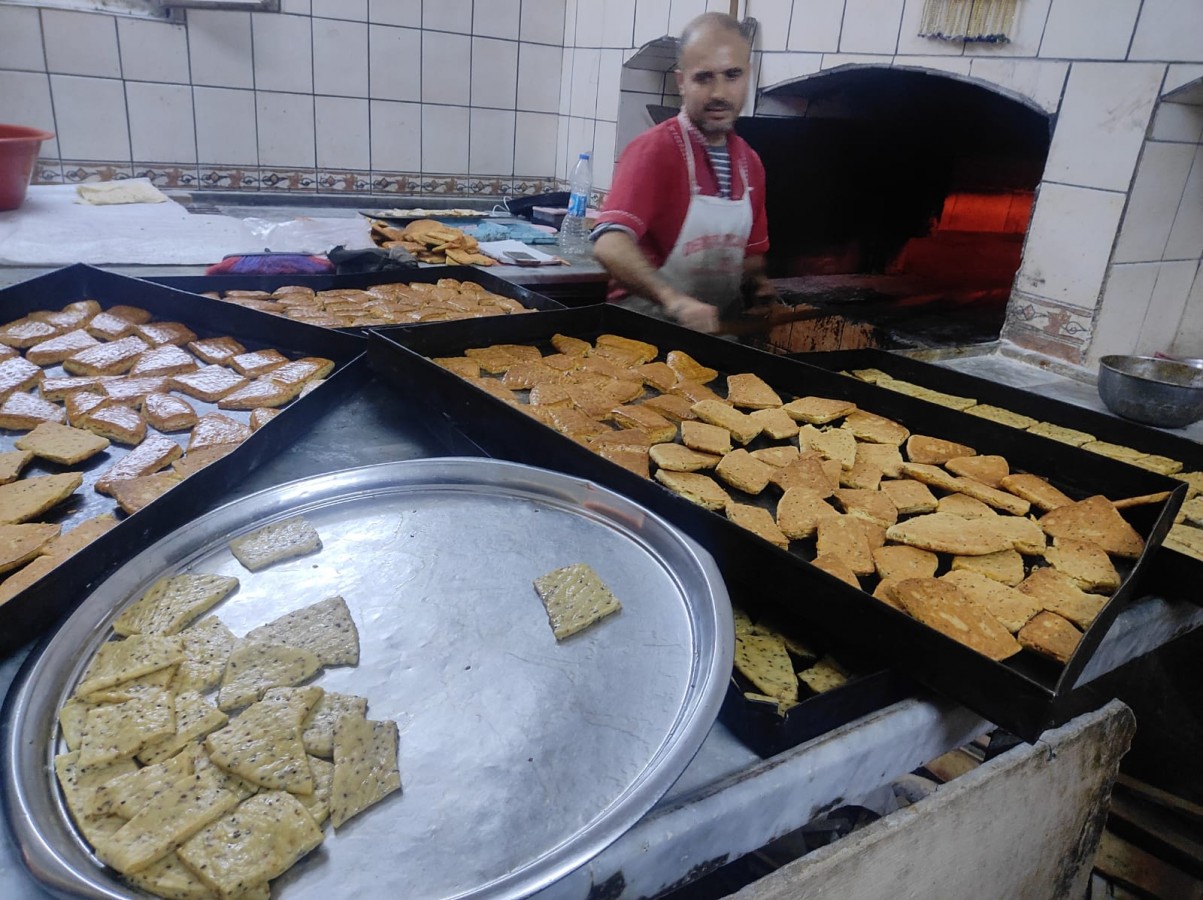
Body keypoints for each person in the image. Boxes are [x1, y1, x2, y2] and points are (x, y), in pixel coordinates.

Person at [591, 12, 776, 335]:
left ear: (748, 76)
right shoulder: (656, 150)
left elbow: (750, 257)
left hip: (715, 338)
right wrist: (673, 299)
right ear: (682, 83)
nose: (719, 92)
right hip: (642, 333)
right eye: (704, 77)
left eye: (732, 75)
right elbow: (609, 242)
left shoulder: (750, 163)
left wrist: (757, 285)